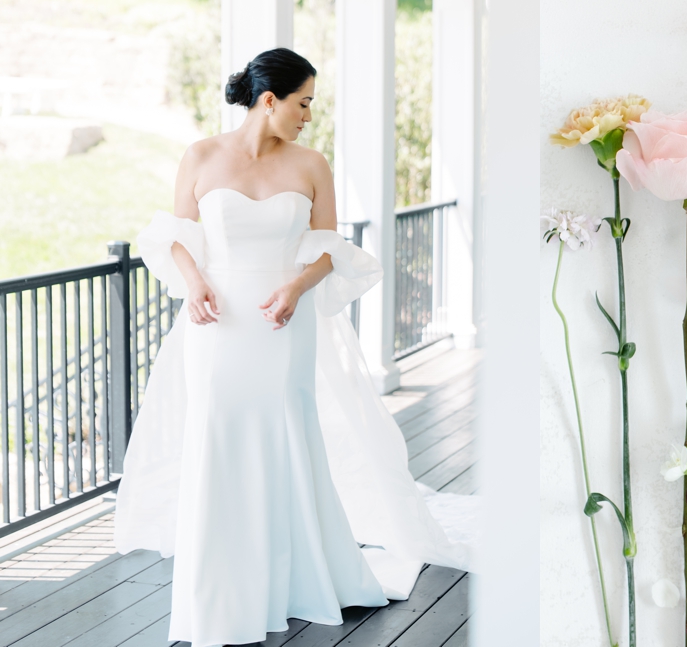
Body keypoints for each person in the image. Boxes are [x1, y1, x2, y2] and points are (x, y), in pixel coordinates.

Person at [112, 48, 474, 647]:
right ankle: (220, 588)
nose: (309, 115)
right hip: (216, 324)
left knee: (284, 436)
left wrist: (296, 286)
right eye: (303, 103)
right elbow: (177, 236)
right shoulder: (201, 156)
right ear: (269, 99)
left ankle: (294, 573)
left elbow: (330, 246)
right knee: (218, 439)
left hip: (282, 323)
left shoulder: (311, 164)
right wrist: (196, 281)